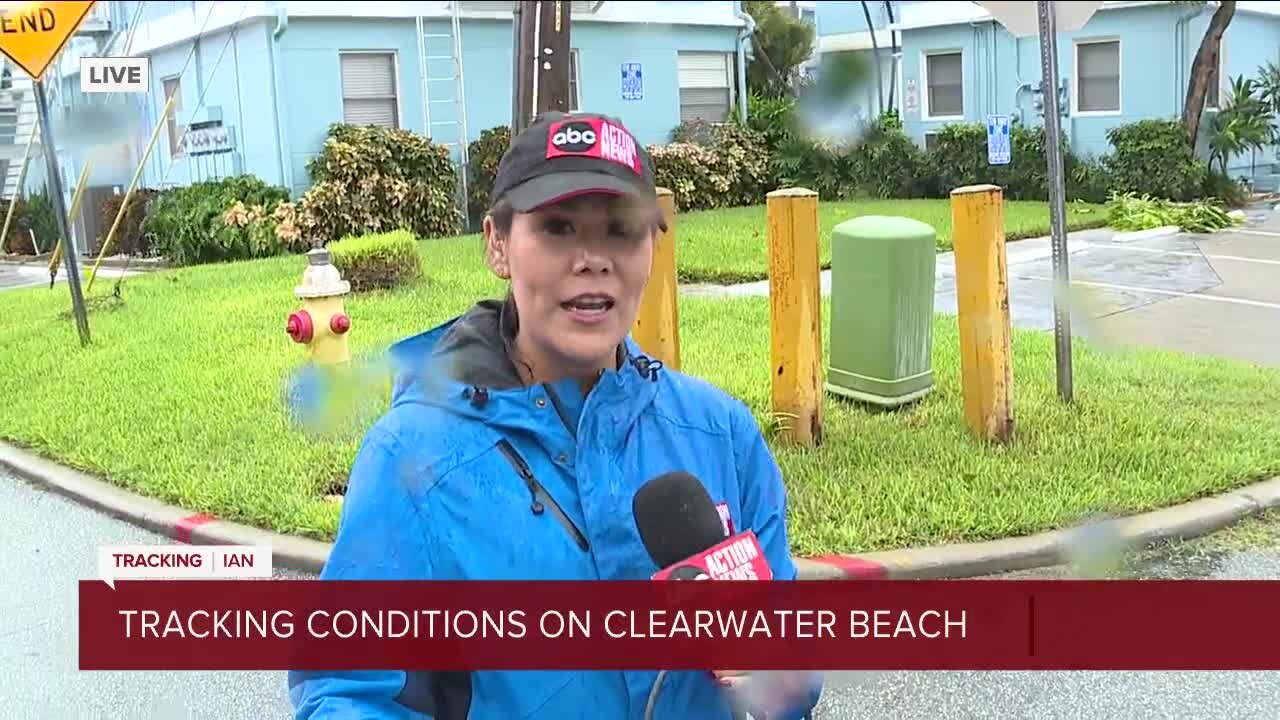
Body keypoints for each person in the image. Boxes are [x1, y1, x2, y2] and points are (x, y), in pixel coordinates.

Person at [287, 111, 823, 720]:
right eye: (559, 228)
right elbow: (346, 693)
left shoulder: (720, 434)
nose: (593, 258)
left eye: (622, 229)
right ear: (497, 244)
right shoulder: (412, 460)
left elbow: (793, 681)